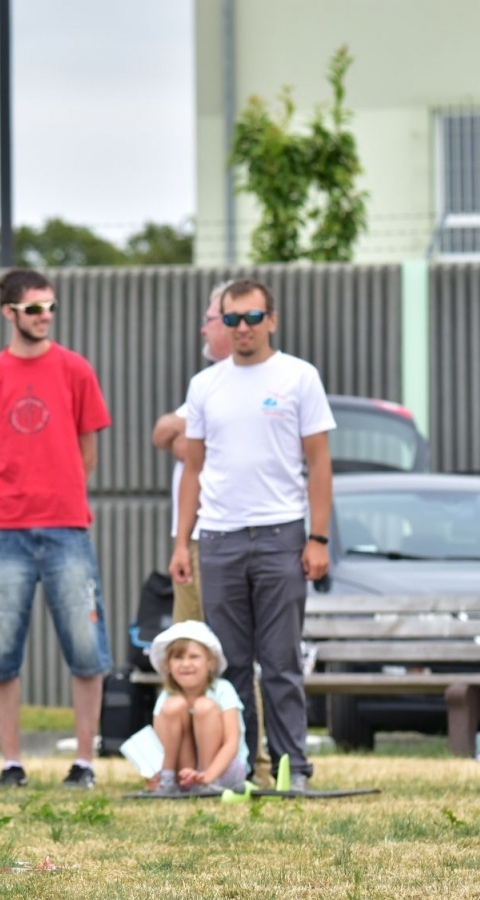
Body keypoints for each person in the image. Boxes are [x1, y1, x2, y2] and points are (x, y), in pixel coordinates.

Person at [170, 278, 334, 792]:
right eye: (232, 319)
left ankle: (294, 770)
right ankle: (238, 768)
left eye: (252, 318)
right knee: (231, 663)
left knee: (281, 660)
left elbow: (319, 461)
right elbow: (193, 469)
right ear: (222, 323)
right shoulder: (205, 385)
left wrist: (318, 538)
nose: (243, 329)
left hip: (281, 533)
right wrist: (182, 542)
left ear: (272, 320)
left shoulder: (298, 377)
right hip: (217, 538)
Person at [0, 269, 113, 790]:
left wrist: (58, 489)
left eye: (49, 306)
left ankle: (85, 762)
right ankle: (11, 763)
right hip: (5, 530)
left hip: (69, 526)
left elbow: (89, 451)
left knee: (86, 645)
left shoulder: (76, 369)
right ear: (9, 313)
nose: (44, 315)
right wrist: (11, 494)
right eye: (33, 308)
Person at [151, 280, 233, 623]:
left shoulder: (250, 383)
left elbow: (186, 445)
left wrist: (184, 432)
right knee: (187, 643)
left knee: (223, 643)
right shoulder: (206, 383)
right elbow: (163, 435)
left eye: (211, 319)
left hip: (221, 536)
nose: (203, 329)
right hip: (192, 536)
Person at [147, 620, 249, 794]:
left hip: (222, 770)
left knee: (204, 706)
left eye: (194, 657)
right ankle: (168, 780)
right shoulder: (166, 697)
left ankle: (206, 782)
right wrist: (154, 774)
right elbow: (157, 743)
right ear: (168, 666)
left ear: (210, 662)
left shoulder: (223, 689)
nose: (186, 664)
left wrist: (208, 775)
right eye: (178, 658)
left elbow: (232, 742)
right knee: (173, 706)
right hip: (184, 772)